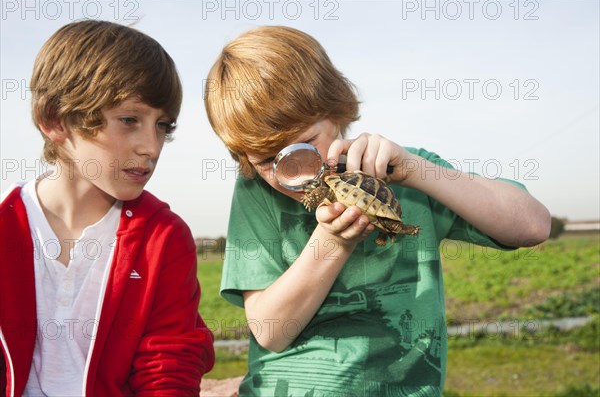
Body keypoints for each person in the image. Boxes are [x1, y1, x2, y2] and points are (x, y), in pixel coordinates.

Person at [204, 25, 551, 396]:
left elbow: (532, 226)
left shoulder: (401, 172)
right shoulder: (256, 193)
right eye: (269, 161)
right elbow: (271, 331)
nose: (295, 173)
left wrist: (419, 171)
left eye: (305, 144)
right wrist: (333, 242)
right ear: (245, 161)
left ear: (337, 112)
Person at [0, 20, 214, 396]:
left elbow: (169, 367)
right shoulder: (6, 226)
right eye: (129, 120)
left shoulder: (163, 237)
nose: (152, 146)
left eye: (162, 125)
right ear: (55, 120)